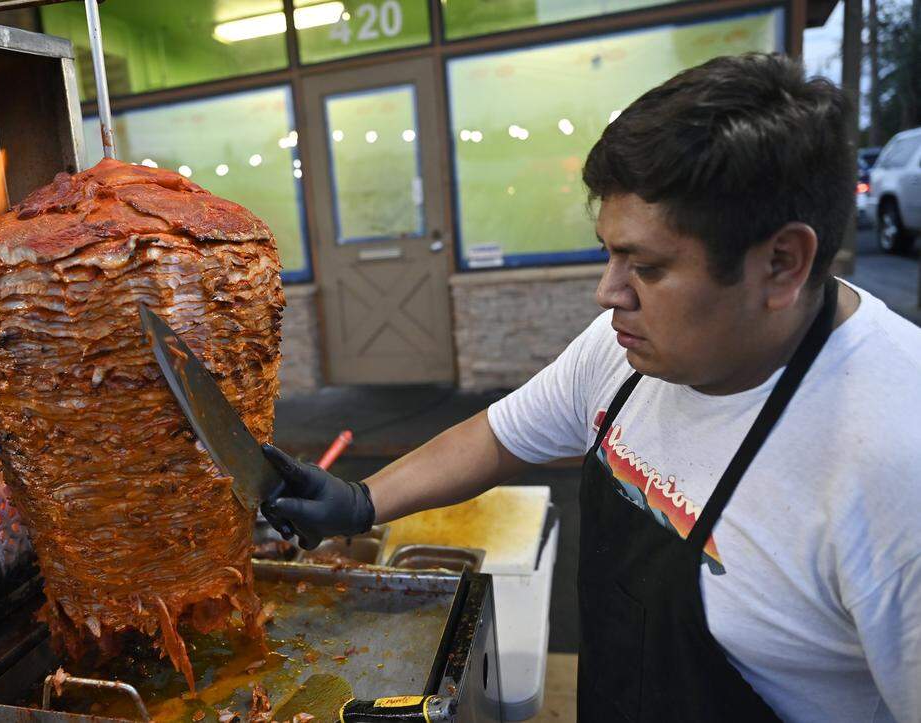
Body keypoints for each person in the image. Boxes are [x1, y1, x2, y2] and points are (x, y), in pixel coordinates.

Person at [261, 54, 921, 722]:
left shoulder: (894, 461)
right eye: (609, 253)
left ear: (781, 263)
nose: (607, 293)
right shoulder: (623, 347)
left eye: (648, 267)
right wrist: (360, 500)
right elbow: (499, 435)